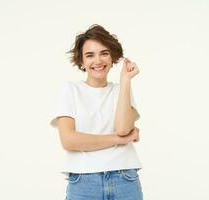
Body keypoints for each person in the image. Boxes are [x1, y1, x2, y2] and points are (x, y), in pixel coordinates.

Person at [50, 24, 143, 200]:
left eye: (104, 53)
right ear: (81, 61)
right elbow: (69, 140)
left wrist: (126, 80)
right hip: (84, 182)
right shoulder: (70, 90)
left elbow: (123, 128)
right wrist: (119, 140)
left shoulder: (121, 90)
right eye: (90, 55)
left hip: (125, 178)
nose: (98, 61)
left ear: (113, 56)